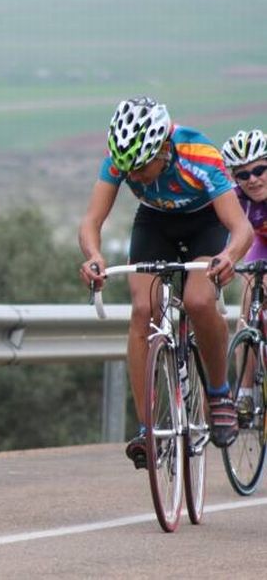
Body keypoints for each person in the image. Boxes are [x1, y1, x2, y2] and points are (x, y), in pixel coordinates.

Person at [78, 96, 252, 468]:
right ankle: (147, 430)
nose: (136, 177)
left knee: (199, 301)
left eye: (142, 168)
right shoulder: (120, 159)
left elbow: (241, 229)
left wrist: (229, 257)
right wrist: (93, 256)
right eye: (129, 171)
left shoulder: (199, 155)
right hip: (155, 224)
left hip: (205, 223)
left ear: (163, 148)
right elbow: (92, 221)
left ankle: (219, 393)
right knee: (143, 310)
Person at [221, 129, 267, 422]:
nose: (253, 179)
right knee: (249, 299)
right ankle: (245, 393)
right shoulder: (234, 199)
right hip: (261, 245)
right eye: (243, 175)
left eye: (260, 170)